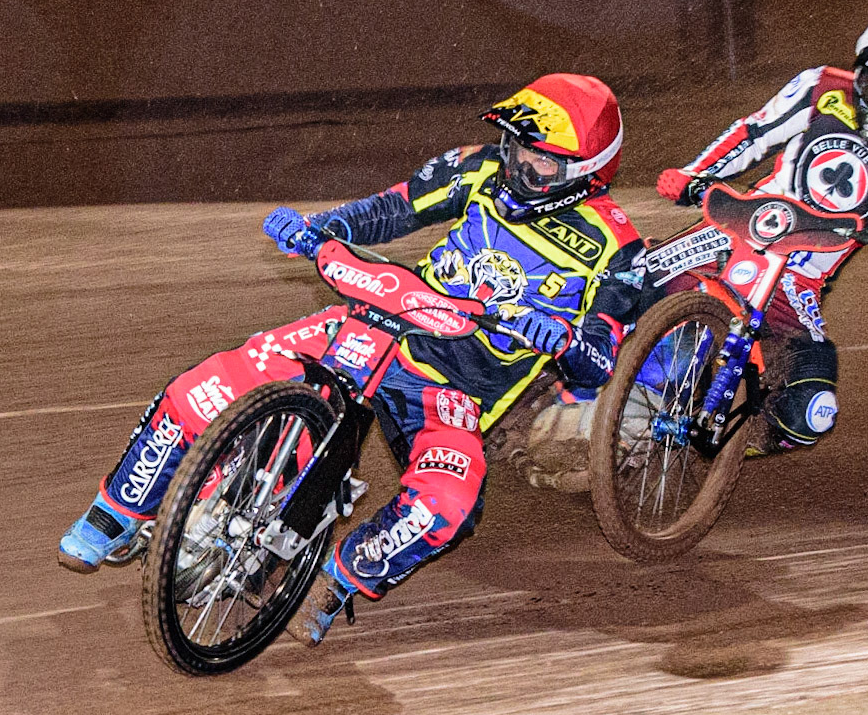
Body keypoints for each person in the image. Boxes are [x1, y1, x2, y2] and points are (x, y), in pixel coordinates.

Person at [58, 73, 647, 644]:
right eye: (515, 145)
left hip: (452, 392)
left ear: (585, 172)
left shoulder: (618, 247)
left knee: (447, 504)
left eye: (539, 158)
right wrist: (319, 227)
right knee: (201, 390)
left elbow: (598, 362)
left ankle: (332, 584)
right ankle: (116, 513)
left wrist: (564, 340)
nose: (518, 164)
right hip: (380, 321)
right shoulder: (480, 167)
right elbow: (393, 209)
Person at [654, 2, 868, 452]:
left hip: (797, 280)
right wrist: (694, 174)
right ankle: (574, 385)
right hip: (735, 231)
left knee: (810, 413)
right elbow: (754, 133)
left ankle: (732, 449)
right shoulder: (820, 86)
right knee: (626, 280)